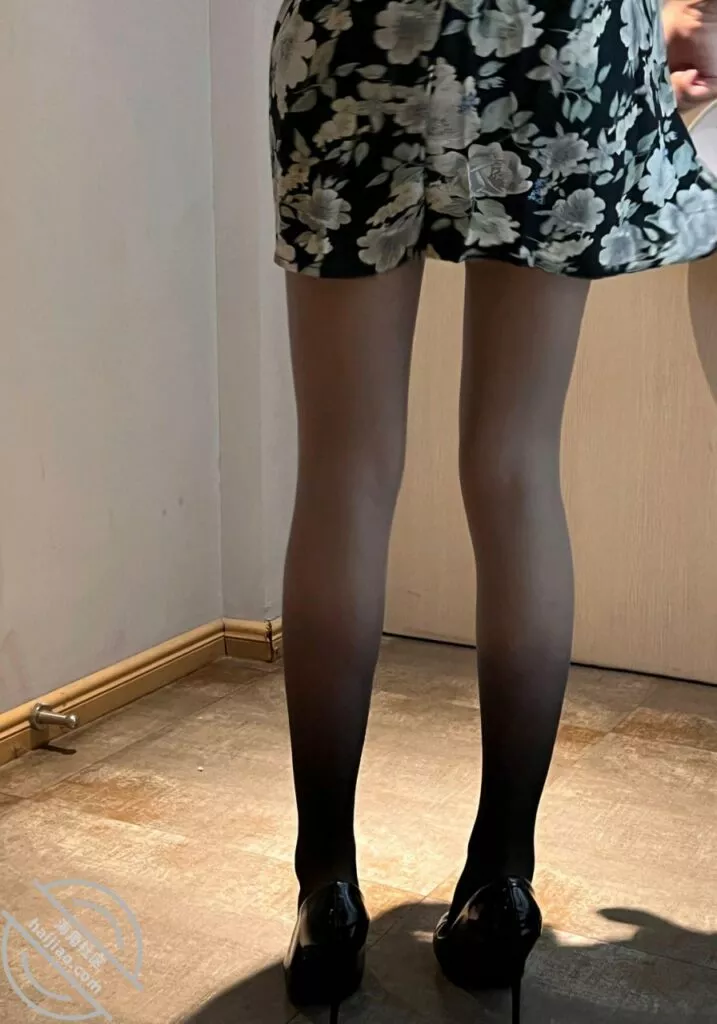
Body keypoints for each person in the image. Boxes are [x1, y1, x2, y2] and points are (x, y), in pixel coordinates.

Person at [269, 2, 717, 1022]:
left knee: (343, 469)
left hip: (356, 30)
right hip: (554, 31)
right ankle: (502, 882)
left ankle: (326, 891)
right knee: (516, 465)